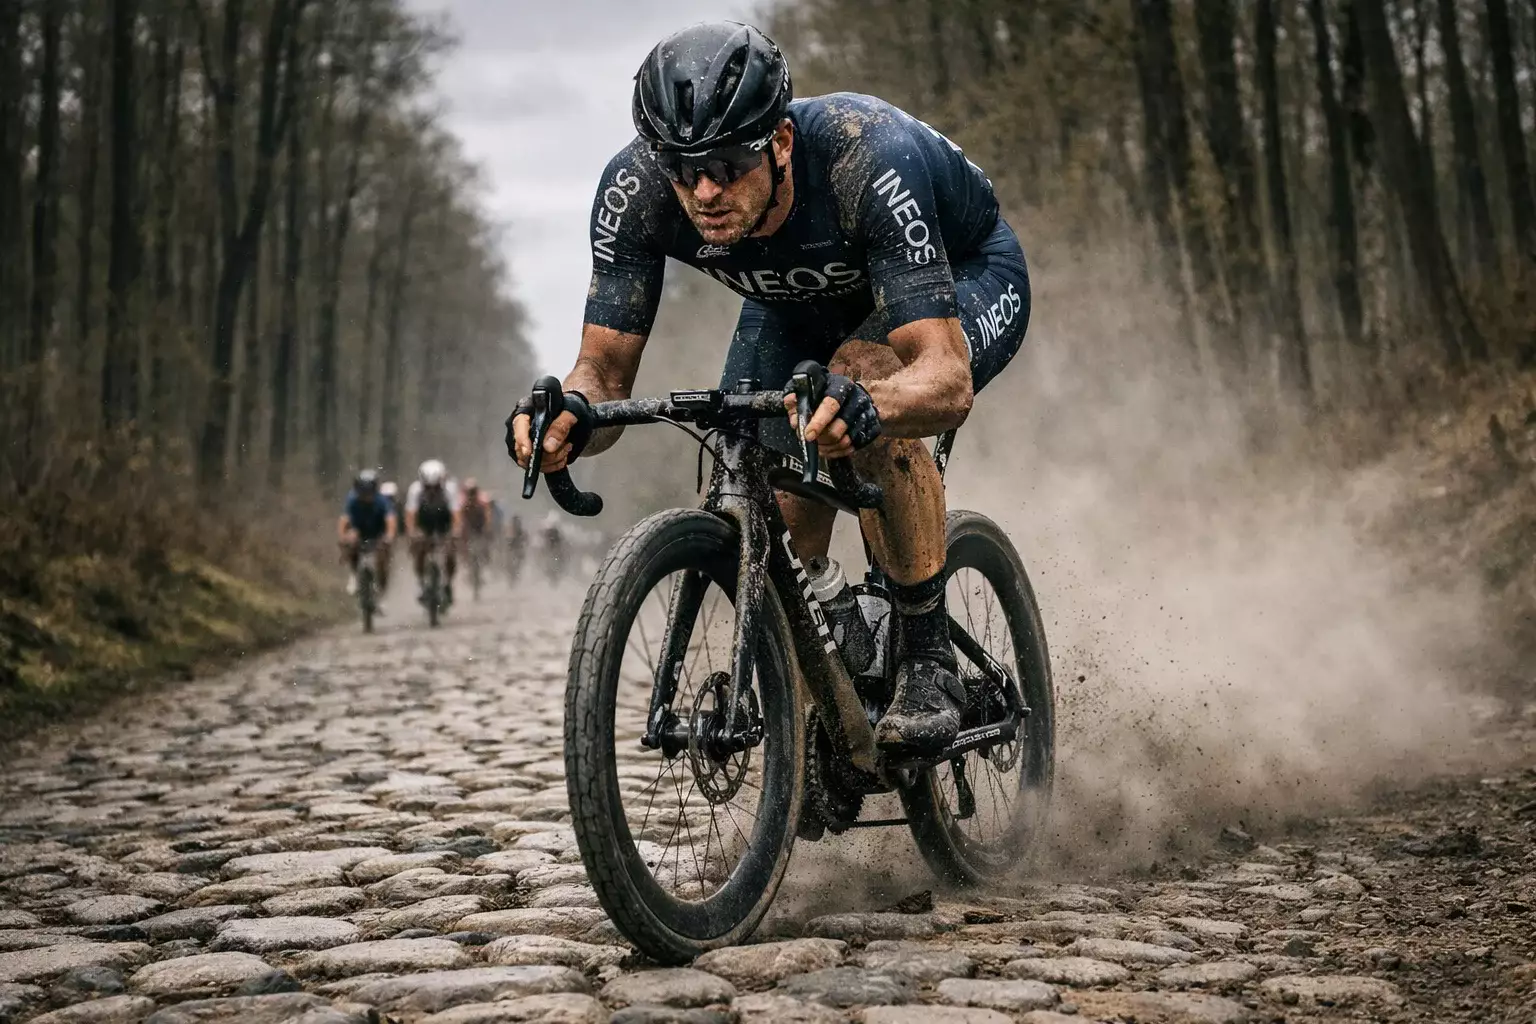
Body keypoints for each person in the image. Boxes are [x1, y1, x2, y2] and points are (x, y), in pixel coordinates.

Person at [508, 22, 1030, 759]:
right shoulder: (635, 193)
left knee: (865, 380)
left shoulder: (865, 156)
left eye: (726, 163)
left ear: (780, 142)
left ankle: (926, 659)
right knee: (760, 473)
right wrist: (567, 419)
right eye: (682, 169)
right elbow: (603, 375)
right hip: (795, 304)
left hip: (963, 277)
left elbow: (944, 380)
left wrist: (871, 408)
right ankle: (828, 684)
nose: (704, 191)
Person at [405, 459, 460, 605]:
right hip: (425, 524)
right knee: (419, 550)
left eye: (435, 487)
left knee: (450, 553)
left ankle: (448, 582)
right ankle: (422, 582)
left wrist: (455, 531)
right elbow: (411, 514)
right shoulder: (415, 490)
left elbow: (456, 514)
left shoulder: (450, 489)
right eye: (428, 487)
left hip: (443, 523)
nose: (432, 490)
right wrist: (412, 532)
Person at [338, 469, 395, 598]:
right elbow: (344, 520)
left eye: (369, 493)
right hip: (359, 530)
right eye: (363, 493)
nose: (366, 496)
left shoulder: (382, 501)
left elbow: (390, 520)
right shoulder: (352, 499)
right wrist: (343, 537)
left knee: (382, 557)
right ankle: (353, 575)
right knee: (351, 541)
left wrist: (389, 536)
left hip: (378, 531)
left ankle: (382, 591)